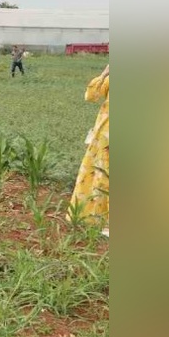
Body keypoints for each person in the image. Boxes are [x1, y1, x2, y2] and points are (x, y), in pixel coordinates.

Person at [69, 64, 108, 235]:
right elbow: (91, 96)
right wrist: (105, 73)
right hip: (105, 133)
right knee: (102, 174)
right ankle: (101, 219)